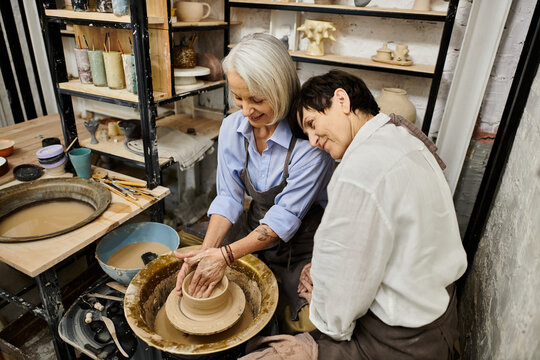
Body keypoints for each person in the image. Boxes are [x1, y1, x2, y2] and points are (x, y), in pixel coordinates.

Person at [241, 69, 467, 359]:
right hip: (440, 316)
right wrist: (322, 268)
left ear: (341, 100)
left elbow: (340, 309)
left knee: (268, 350)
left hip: (399, 341)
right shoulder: (403, 139)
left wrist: (322, 302)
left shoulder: (360, 170)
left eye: (312, 123)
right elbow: (371, 244)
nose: (312, 141)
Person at [173, 34, 335, 329]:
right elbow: (229, 198)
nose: (246, 111)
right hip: (252, 234)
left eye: (257, 100)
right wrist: (208, 253)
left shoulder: (311, 141)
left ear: (281, 90)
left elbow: (283, 219)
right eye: (238, 97)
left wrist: (224, 255)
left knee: (307, 323)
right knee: (192, 258)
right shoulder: (232, 128)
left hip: (300, 247)